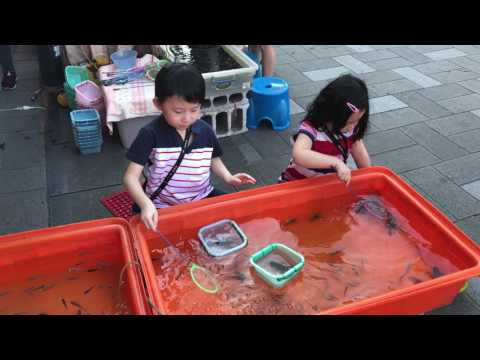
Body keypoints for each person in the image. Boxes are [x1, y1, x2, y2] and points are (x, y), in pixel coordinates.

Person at [123, 63, 256, 231]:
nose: (187, 118)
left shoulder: (205, 130)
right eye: (178, 111)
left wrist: (228, 177)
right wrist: (146, 204)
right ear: (158, 104)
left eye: (194, 110)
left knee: (238, 218)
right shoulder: (150, 134)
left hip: (202, 196)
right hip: (163, 203)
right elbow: (130, 178)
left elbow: (213, 158)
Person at [279, 74, 371, 186]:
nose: (353, 126)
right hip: (297, 185)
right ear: (331, 113)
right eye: (349, 122)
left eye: (358, 120)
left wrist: (370, 178)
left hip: (326, 185)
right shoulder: (312, 129)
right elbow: (299, 154)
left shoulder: (351, 129)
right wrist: (336, 162)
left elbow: (360, 154)